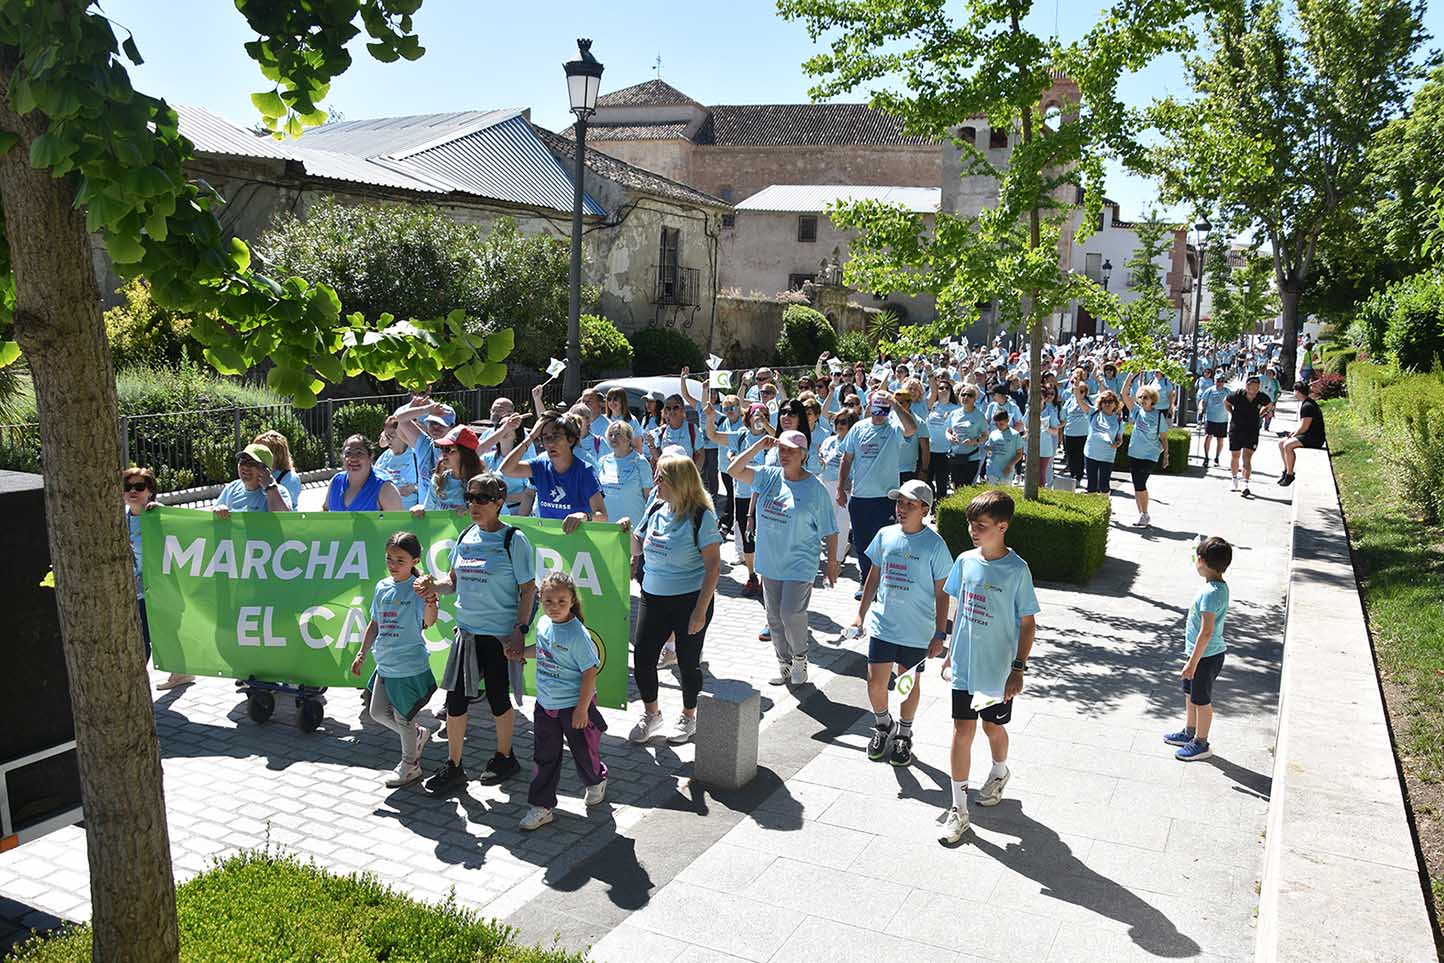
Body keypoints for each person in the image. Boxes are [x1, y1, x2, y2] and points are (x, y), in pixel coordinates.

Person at [414, 473, 536, 794]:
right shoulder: (466, 535)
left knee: (498, 698)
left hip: (498, 636)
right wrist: (432, 585)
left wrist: (520, 630)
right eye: (469, 497)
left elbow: (528, 590)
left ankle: (505, 757)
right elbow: (452, 582)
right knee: (455, 701)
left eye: (482, 498)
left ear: (499, 502)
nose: (473, 505)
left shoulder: (514, 540)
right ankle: (454, 767)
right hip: (466, 635)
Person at [938, 490, 1039, 844]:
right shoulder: (965, 561)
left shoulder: (1017, 570)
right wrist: (950, 651)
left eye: (981, 525)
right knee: (961, 731)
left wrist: (1018, 668)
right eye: (971, 524)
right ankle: (958, 809)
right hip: (965, 668)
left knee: (991, 728)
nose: (973, 531)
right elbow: (960, 607)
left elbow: (1028, 624)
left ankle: (999, 770)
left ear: (1002, 527)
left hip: (997, 672)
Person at [850, 480, 952, 768]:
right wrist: (860, 614)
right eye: (900, 503)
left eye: (910, 504)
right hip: (884, 625)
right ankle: (884, 725)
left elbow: (943, 593)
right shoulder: (885, 535)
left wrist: (940, 633)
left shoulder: (935, 545)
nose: (902, 509)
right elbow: (873, 576)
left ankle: (904, 735)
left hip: (916, 631)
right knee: (875, 684)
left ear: (925, 510)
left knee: (907, 684)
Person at [728, 429, 839, 685]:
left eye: (791, 450)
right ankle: (784, 664)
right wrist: (758, 446)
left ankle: (800, 657)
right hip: (770, 562)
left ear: (803, 454)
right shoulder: (768, 476)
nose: (785, 454)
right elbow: (734, 470)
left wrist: (832, 563)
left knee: (790, 613)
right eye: (782, 449)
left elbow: (831, 530)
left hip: (800, 562)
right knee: (774, 618)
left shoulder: (815, 489)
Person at [628, 454, 723, 746]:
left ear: (678, 482)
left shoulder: (701, 516)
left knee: (688, 662)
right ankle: (652, 714)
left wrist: (700, 611)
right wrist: (625, 530)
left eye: (661, 476)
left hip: (689, 600)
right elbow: (637, 546)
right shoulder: (656, 507)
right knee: (643, 658)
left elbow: (714, 567)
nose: (655, 481)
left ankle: (688, 716)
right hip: (653, 597)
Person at [519, 570, 609, 831]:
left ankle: (596, 780)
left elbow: (590, 671)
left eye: (561, 601)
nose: (554, 607)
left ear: (572, 601)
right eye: (548, 601)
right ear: (540, 599)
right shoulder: (543, 624)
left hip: (574, 707)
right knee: (544, 756)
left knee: (584, 752)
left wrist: (582, 709)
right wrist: (520, 653)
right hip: (545, 705)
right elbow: (542, 651)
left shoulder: (577, 635)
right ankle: (542, 806)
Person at [351, 532, 439, 787]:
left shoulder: (419, 589)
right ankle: (417, 734)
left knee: (403, 718)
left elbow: (429, 622)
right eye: (389, 558)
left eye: (400, 560)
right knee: (377, 712)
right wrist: (362, 653)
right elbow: (375, 623)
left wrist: (431, 599)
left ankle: (410, 765)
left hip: (408, 665)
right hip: (385, 664)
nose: (393, 564)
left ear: (415, 560)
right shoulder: (382, 587)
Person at [836, 389, 918, 599]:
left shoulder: (894, 427)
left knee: (885, 543)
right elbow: (847, 458)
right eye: (877, 409)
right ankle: (866, 581)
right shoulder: (858, 428)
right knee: (862, 543)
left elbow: (912, 428)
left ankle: (883, 583)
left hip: (885, 498)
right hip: (860, 497)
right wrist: (840, 487)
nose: (880, 414)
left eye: (884, 409)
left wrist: (894, 403)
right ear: (870, 407)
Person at [125, 467, 194, 691]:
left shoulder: (159, 513)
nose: (132, 491)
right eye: (127, 487)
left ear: (150, 491)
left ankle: (135, 685)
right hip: (138, 588)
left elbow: (186, 536)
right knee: (147, 633)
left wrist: (160, 516)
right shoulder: (121, 518)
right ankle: (181, 672)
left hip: (162, 587)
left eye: (139, 487)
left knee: (154, 633)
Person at [1165, 536, 1231, 762]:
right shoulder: (1215, 586)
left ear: (1201, 561)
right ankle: (1189, 732)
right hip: (1199, 654)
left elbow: (1206, 631)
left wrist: (1193, 663)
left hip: (1205, 657)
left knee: (1201, 700)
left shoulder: (1211, 593)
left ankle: (1201, 743)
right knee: (1190, 694)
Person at [498, 411, 607, 531]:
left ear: (570, 440)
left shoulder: (585, 471)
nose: (550, 443)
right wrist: (531, 437)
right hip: (546, 538)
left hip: (576, 539)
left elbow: (602, 516)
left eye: (556, 436)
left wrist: (584, 516)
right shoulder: (540, 466)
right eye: (545, 437)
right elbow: (506, 469)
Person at [707, 402, 772, 596]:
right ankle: (752, 576)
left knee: (765, 537)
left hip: (765, 495)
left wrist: (766, 425)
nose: (759, 417)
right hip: (743, 495)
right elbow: (713, 436)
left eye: (764, 414)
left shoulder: (771, 437)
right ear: (748, 418)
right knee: (747, 537)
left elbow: (781, 438)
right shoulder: (741, 436)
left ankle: (767, 578)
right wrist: (710, 418)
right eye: (756, 414)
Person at [1121, 376, 1171, 527]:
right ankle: (1142, 514)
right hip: (1134, 453)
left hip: (1150, 454)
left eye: (1146, 397)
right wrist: (1130, 377)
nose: (1143, 400)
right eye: (1141, 397)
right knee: (1137, 485)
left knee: (1140, 483)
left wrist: (1166, 456)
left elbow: (1163, 438)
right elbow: (1124, 394)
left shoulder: (1158, 416)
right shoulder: (1137, 411)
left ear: (1152, 400)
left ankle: (1145, 513)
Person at [325, 434, 404, 512]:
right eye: (348, 453)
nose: (353, 458)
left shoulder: (386, 488)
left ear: (370, 457)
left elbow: (398, 520)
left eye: (359, 453)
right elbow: (325, 509)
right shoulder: (336, 481)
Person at [415, 425, 482, 517]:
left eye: (448, 449)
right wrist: (420, 510)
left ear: (465, 453)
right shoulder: (438, 479)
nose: (443, 454)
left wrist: (472, 511)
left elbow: (494, 517)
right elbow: (428, 512)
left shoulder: (482, 484)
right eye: (441, 448)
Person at [1224, 374, 1273, 497]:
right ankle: (1234, 479)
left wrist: (1261, 413)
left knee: (1247, 456)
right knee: (1235, 455)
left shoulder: (1262, 397)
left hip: (1252, 429)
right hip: (1236, 428)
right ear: (1247, 386)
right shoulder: (1237, 395)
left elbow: (1269, 405)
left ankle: (1245, 484)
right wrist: (1231, 412)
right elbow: (1226, 401)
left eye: (1257, 387)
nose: (1254, 389)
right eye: (1252, 387)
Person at [597, 421, 651, 528]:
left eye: (618, 434)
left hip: (633, 527)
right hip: (608, 527)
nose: (613, 438)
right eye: (610, 435)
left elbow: (648, 497)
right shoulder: (602, 461)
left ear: (629, 438)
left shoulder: (640, 462)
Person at [214, 442, 293, 515]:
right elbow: (212, 514)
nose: (245, 467)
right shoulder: (231, 488)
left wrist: (270, 488)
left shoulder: (279, 492)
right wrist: (218, 510)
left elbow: (284, 519)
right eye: (243, 461)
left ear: (266, 470)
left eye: (252, 463)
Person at [817, 407, 854, 556]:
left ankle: (838, 558)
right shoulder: (828, 440)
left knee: (842, 524)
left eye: (844, 422)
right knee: (825, 523)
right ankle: (838, 550)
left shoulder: (855, 441)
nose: (839, 425)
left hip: (845, 487)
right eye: (837, 421)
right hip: (825, 485)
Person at [1277, 382, 1326, 486]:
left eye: (1294, 391)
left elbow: (1304, 427)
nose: (1294, 393)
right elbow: (1302, 426)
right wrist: (1293, 433)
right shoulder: (1306, 403)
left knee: (1288, 445)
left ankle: (1290, 475)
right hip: (1308, 435)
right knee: (1281, 443)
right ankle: (1286, 470)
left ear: (1298, 392)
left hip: (1314, 438)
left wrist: (1294, 435)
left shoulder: (1308, 406)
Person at [945, 385, 988, 489]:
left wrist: (975, 441)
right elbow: (947, 430)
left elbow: (985, 436)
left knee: (967, 488)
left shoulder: (979, 416)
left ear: (975, 399)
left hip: (971, 457)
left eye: (970, 395)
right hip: (955, 456)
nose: (966, 397)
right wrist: (949, 437)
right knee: (956, 487)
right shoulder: (954, 414)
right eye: (963, 394)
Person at [375, 418, 423, 510]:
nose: (388, 440)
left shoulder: (416, 456)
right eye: (386, 436)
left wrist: (414, 488)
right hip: (386, 512)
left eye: (391, 436)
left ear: (402, 434)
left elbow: (431, 485)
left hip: (411, 512)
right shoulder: (384, 457)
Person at [1082, 390, 1123, 495]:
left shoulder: (1118, 418)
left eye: (1110, 401)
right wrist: (1076, 386)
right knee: (1091, 485)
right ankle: (1091, 505)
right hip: (1091, 453)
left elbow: (1120, 439)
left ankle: (1105, 503)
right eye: (1104, 401)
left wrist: (1117, 443)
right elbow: (1080, 401)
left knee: (1104, 486)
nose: (1107, 404)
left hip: (1107, 456)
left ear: (1115, 403)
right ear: (1100, 403)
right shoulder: (1094, 413)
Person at [925, 380, 961, 499]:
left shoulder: (956, 408)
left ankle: (940, 506)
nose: (944, 390)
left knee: (942, 482)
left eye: (947, 388)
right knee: (927, 481)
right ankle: (930, 502)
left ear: (951, 391)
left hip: (946, 451)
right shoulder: (932, 405)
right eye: (941, 388)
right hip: (929, 450)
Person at [252, 430, 301, 508]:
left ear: (278, 455)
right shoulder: (253, 473)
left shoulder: (290, 479)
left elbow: (283, 509)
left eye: (263, 452)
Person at [1060, 380, 1092, 483]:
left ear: (1085, 392)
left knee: (1080, 456)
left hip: (1082, 433)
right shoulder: (1069, 401)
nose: (1079, 393)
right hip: (1069, 432)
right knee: (1071, 456)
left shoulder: (1088, 402)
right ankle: (1073, 475)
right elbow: (1063, 414)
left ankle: (1079, 476)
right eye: (1077, 391)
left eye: (1082, 391)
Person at [981, 409, 1023, 484]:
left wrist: (1009, 466)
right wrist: (987, 448)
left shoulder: (1015, 435)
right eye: (996, 424)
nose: (998, 426)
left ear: (1007, 421)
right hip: (992, 471)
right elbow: (988, 448)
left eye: (1001, 424)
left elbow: (1019, 454)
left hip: (1006, 472)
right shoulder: (993, 433)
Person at [1197, 372, 1229, 467]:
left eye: (1222, 381)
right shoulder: (1210, 390)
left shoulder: (1227, 391)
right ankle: (1206, 457)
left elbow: (1234, 400)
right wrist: (1201, 409)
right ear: (1215, 381)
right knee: (1208, 436)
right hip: (1210, 418)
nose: (1220, 383)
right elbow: (1202, 401)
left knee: (1220, 439)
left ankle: (1217, 457)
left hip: (1222, 419)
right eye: (1218, 381)